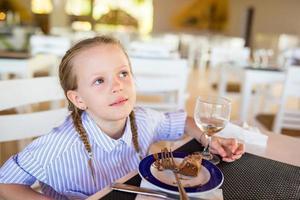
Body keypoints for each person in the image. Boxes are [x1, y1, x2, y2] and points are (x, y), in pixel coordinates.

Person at [0, 36, 244, 200]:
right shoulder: (58, 147)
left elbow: (182, 122)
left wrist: (210, 139)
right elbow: (5, 184)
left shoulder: (143, 119)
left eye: (123, 74)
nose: (117, 86)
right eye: (99, 80)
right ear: (78, 99)